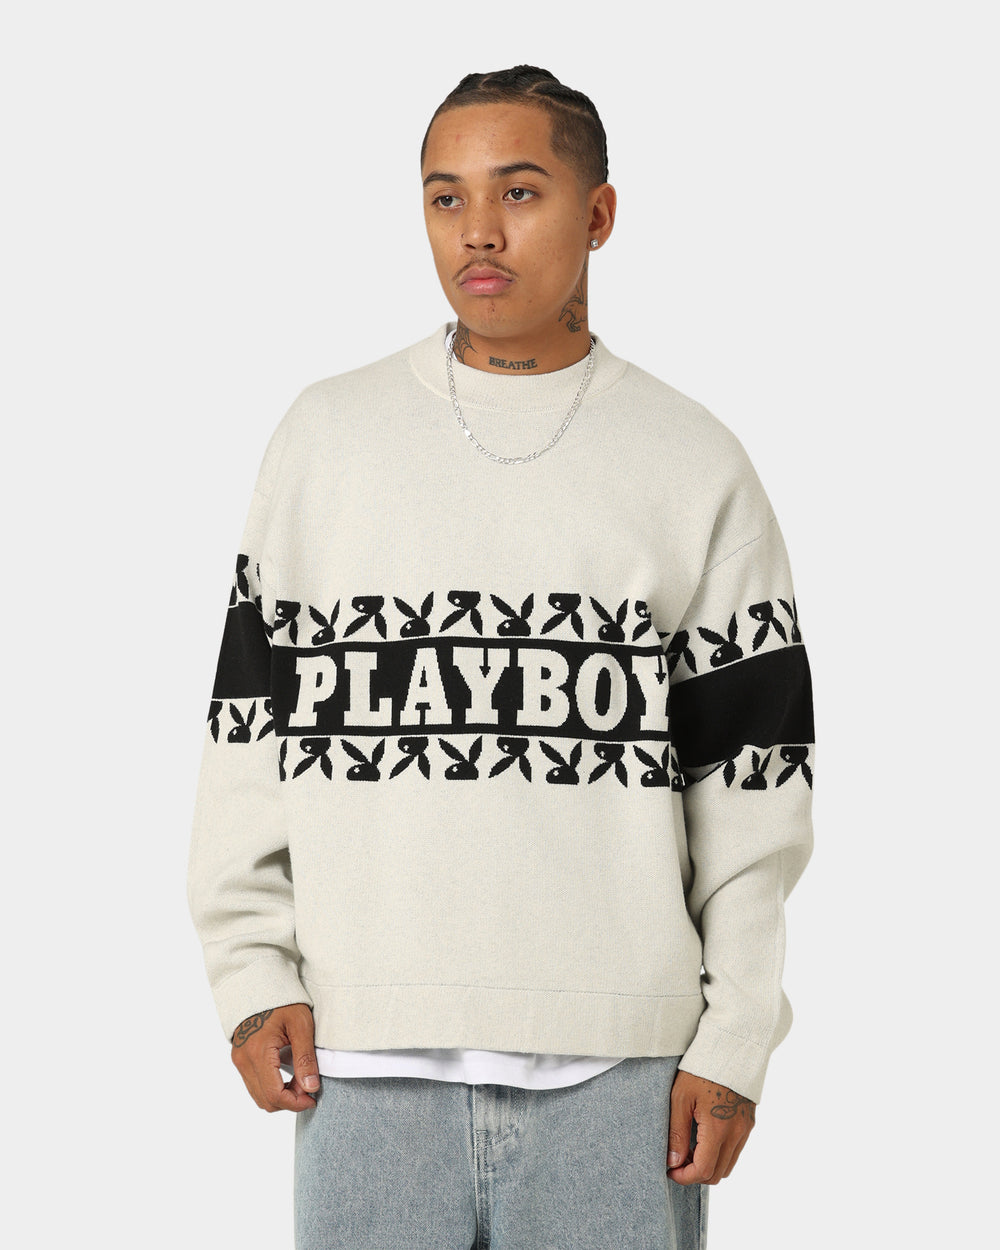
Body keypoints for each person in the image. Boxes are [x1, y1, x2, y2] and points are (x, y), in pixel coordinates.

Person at [188, 65, 814, 1249]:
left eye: (518, 191)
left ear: (599, 213)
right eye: (446, 197)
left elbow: (753, 787)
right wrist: (250, 974)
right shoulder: (327, 440)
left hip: (624, 1082)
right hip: (360, 1071)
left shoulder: (693, 463)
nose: (477, 229)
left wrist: (734, 1039)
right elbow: (245, 733)